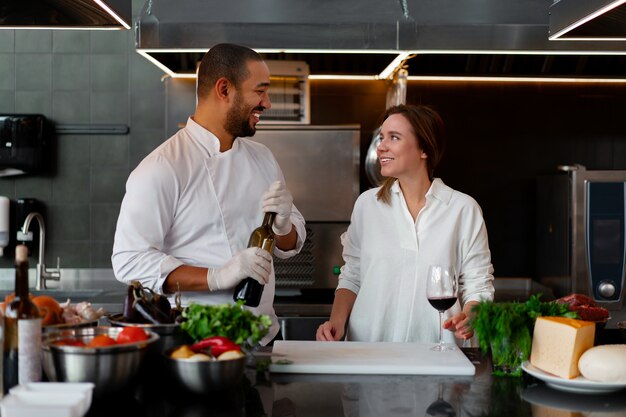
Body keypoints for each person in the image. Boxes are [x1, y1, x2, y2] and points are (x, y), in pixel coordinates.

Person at [112, 43, 306, 345]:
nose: (267, 103)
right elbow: (130, 260)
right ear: (224, 89)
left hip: (264, 338)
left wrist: (284, 227)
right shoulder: (162, 167)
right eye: (260, 91)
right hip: (198, 345)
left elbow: (290, 243)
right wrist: (216, 276)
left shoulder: (263, 157)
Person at [316, 104, 494, 344]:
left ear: (424, 149)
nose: (381, 146)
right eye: (382, 137)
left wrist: (471, 315)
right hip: (368, 351)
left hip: (439, 353)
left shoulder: (463, 209)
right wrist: (336, 322)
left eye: (394, 137)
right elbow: (352, 275)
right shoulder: (367, 205)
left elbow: (478, 286)